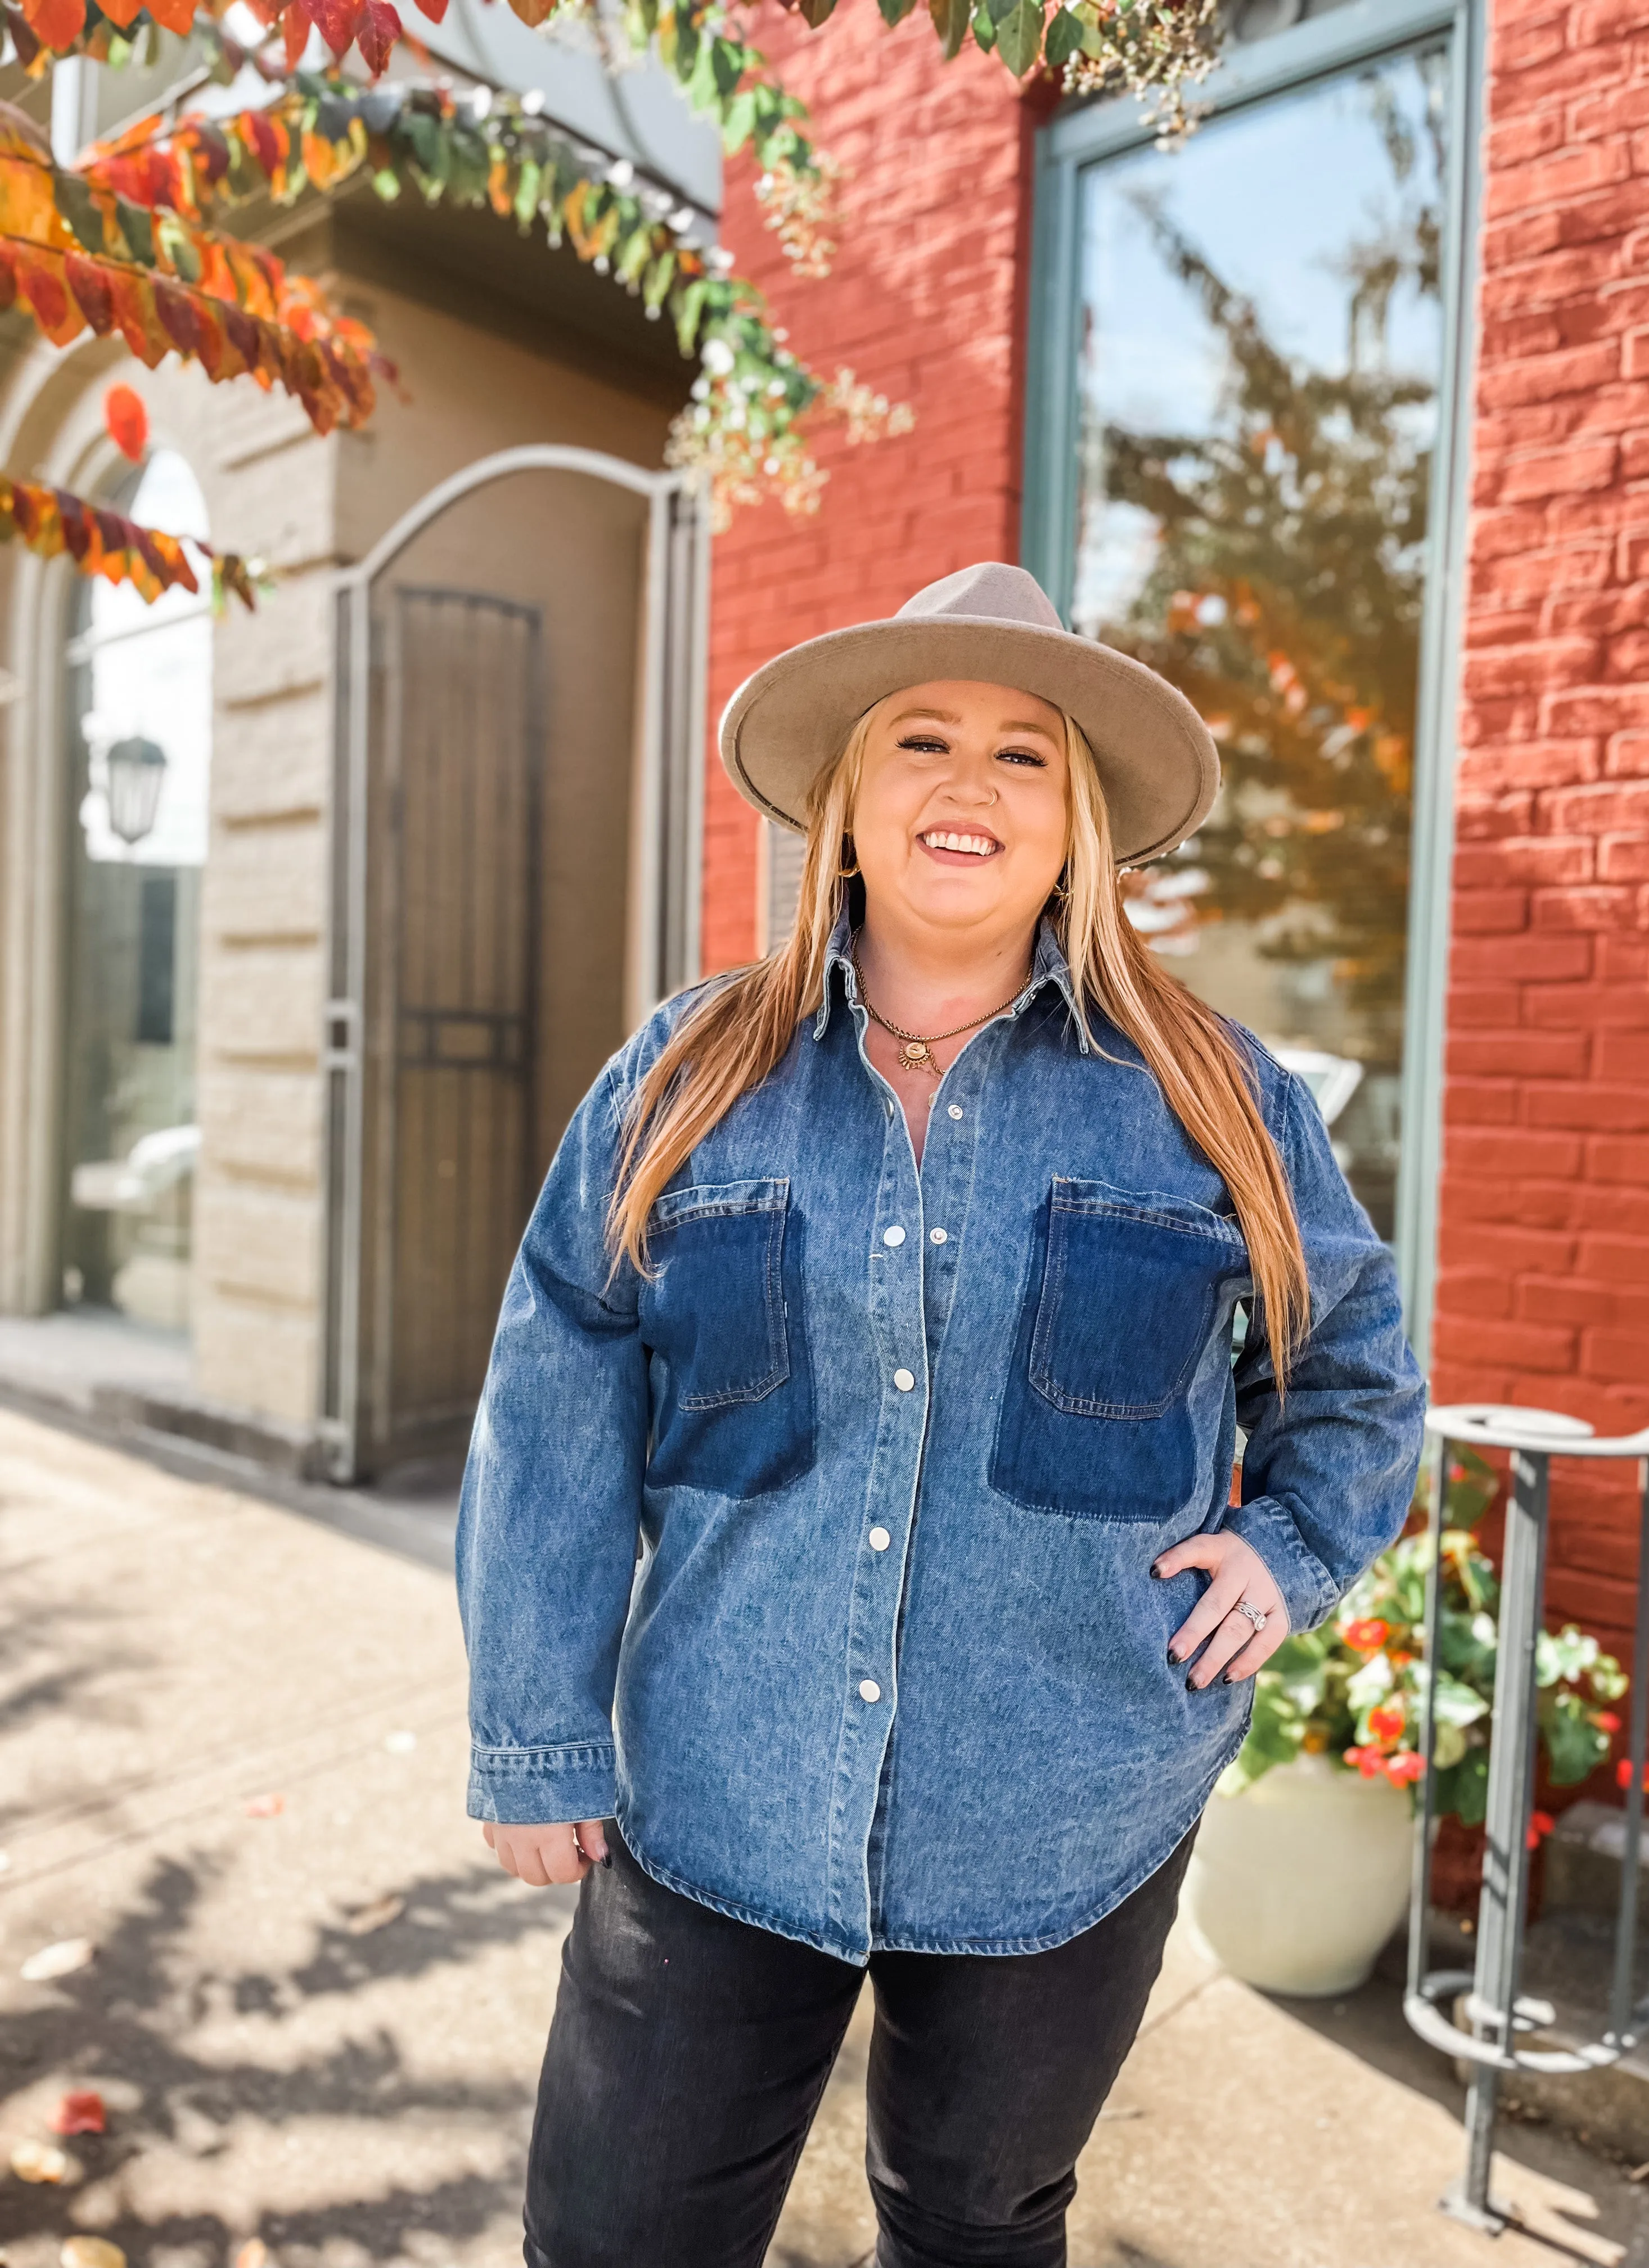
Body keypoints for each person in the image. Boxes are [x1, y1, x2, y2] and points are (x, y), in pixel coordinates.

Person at [457, 562, 1426, 2268]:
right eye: (921, 739)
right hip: (713, 1797)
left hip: (1068, 1807)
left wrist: (1288, 1548)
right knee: (614, 2238)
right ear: (846, 803)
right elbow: (555, 1398)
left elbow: (1351, 1371)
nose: (968, 783)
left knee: (977, 2227)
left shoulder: (1215, 1097)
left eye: (1023, 754)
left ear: (1081, 830)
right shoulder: (686, 1084)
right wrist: (535, 1728)